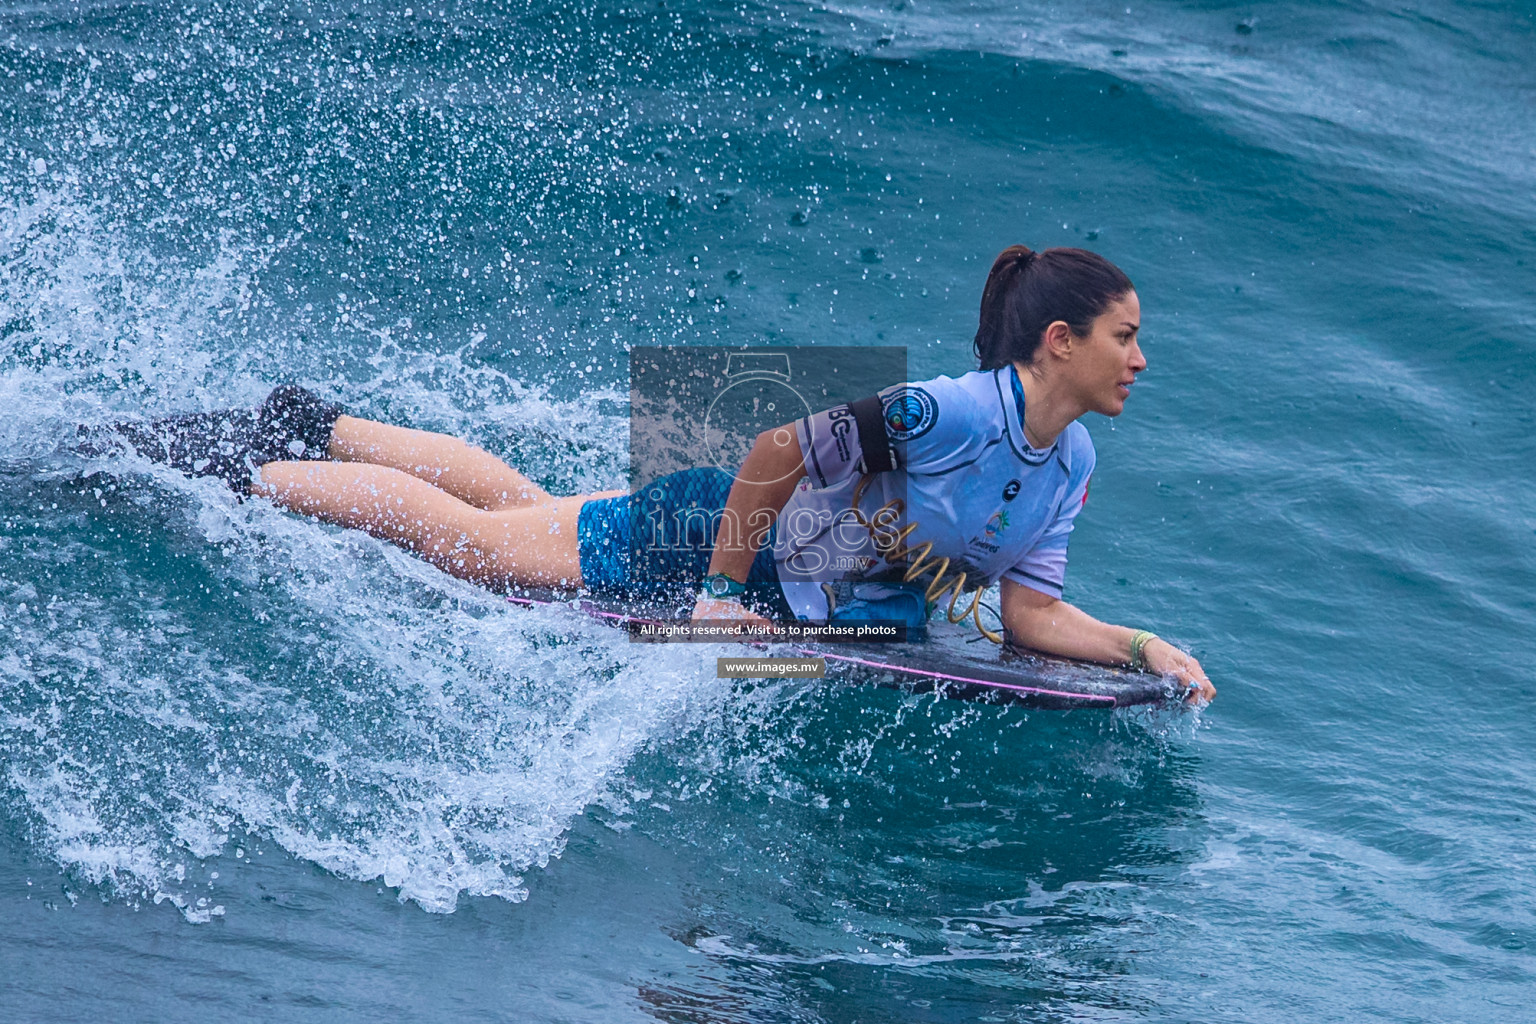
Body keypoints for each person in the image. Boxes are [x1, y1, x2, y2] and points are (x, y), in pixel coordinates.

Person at [106, 245, 1214, 701]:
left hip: (787, 585)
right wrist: (724, 598)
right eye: (1126, 336)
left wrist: (1136, 646)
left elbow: (1027, 613)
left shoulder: (1070, 459)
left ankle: (317, 423)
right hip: (720, 541)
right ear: (1057, 341)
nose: (1142, 357)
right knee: (488, 552)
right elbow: (778, 450)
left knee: (529, 509)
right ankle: (234, 472)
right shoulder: (952, 412)